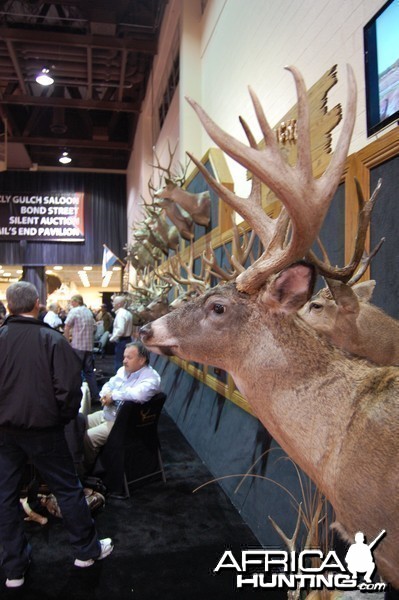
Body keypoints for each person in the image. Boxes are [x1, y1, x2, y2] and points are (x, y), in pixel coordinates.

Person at [0, 282, 113, 589]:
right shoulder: (51, 339)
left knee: (6, 497)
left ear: (9, 305)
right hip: (44, 432)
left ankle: (13, 569)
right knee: (67, 488)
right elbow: (70, 390)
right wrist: (58, 420)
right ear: (37, 303)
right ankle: (85, 551)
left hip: (6, 435)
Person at [84, 341, 161, 471]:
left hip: (123, 424)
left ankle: (86, 472)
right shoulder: (123, 370)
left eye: (129, 358)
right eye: (124, 357)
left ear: (142, 360)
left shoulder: (151, 378)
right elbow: (108, 385)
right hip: (107, 413)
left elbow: (138, 395)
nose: (124, 361)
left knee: (88, 438)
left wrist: (113, 396)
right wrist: (105, 395)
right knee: (76, 423)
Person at [64, 294, 100, 402]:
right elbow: (94, 327)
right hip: (88, 346)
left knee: (75, 372)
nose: (71, 303)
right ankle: (95, 395)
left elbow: (67, 326)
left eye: (71, 301)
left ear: (75, 302)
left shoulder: (74, 311)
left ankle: (75, 396)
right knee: (89, 372)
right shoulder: (88, 312)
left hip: (77, 346)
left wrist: (67, 341)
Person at [109, 295, 133, 371]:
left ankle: (120, 381)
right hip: (127, 340)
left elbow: (120, 330)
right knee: (125, 363)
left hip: (122, 341)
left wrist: (112, 338)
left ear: (119, 304)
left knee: (119, 364)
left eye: (114, 302)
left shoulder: (120, 315)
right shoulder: (127, 313)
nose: (112, 304)